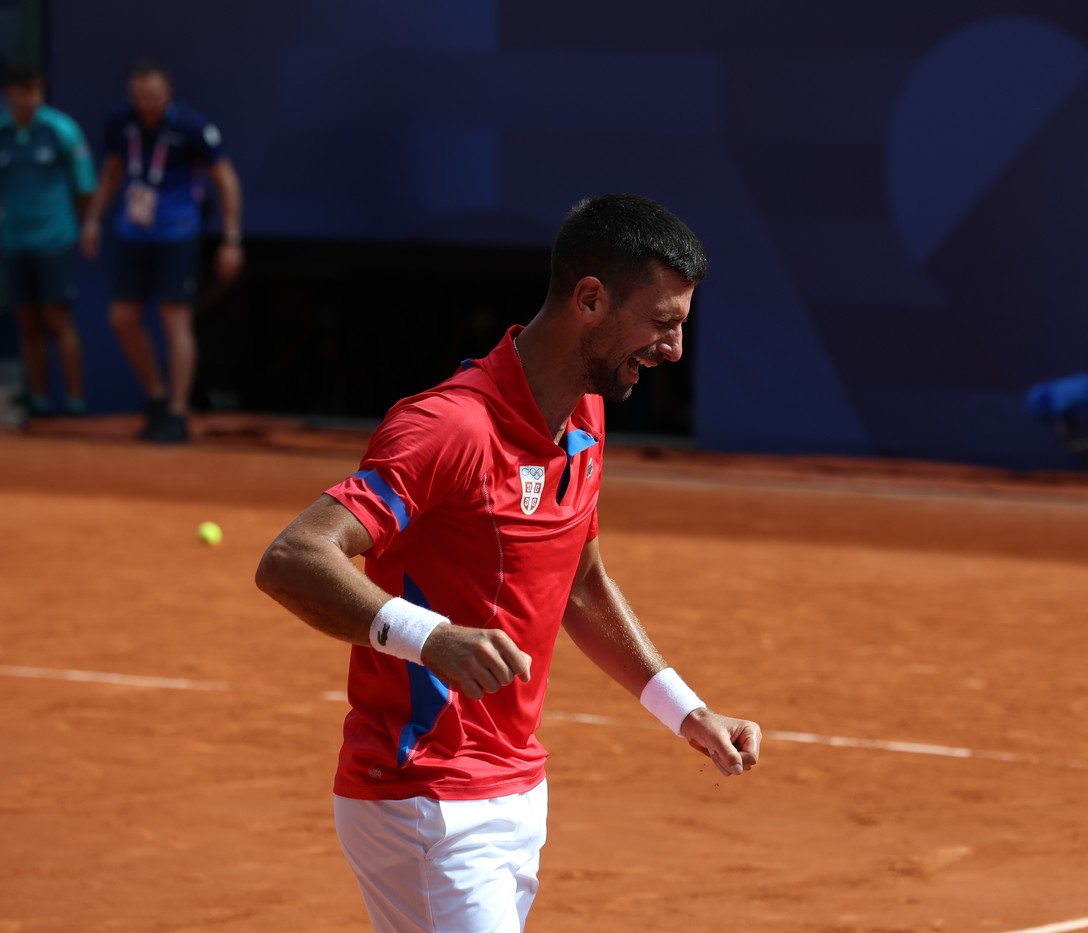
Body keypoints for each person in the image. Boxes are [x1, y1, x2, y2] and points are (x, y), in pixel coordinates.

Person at [255, 193, 761, 933]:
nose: (674, 349)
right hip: (424, 796)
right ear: (590, 299)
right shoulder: (448, 428)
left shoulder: (584, 412)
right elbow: (292, 556)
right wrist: (428, 635)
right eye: (663, 323)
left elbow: (581, 582)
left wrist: (685, 709)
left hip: (515, 788)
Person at [80, 59, 244, 443]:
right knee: (122, 318)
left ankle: (178, 411)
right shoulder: (121, 122)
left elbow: (226, 179)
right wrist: (92, 219)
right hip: (132, 233)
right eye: (139, 95)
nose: (146, 102)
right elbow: (112, 171)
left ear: (167, 92)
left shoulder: (191, 126)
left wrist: (231, 239)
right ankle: (156, 395)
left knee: (175, 320)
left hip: (178, 234)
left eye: (153, 95)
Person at [0, 61, 97, 417]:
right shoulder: (2, 131)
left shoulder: (62, 130)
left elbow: (85, 188)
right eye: (24, 92)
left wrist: (74, 226)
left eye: (37, 92)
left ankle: (74, 404)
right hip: (13, 241)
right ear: (9, 93)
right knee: (26, 322)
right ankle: (38, 401)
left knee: (58, 320)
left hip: (54, 241)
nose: (31, 99)